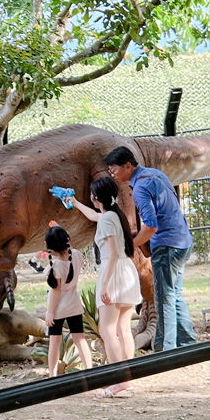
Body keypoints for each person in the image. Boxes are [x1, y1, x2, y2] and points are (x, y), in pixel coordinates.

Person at [104, 147, 197, 353]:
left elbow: (152, 226)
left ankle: (165, 350)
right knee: (175, 294)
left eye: (114, 170)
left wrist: (131, 245)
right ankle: (187, 342)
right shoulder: (155, 174)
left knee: (164, 298)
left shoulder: (140, 187)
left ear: (127, 166)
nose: (112, 175)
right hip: (182, 241)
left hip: (166, 246)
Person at [66, 178, 141, 398]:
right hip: (126, 272)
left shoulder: (108, 219)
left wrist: (106, 283)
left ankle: (120, 380)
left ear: (96, 197)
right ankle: (127, 377)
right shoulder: (113, 215)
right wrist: (76, 203)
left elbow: (113, 253)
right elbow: (94, 216)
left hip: (114, 271)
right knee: (123, 329)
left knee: (107, 330)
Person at [43, 225, 92, 376]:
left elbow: (56, 291)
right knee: (80, 338)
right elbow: (72, 253)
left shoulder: (56, 265)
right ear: (67, 241)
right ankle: (89, 369)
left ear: (49, 247)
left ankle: (52, 374)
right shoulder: (76, 255)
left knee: (55, 341)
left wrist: (50, 313)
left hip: (58, 308)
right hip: (74, 305)